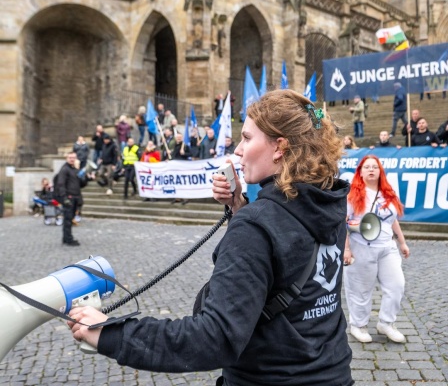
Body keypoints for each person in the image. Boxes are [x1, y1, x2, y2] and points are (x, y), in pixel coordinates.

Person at [68, 90, 354, 386]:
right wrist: (239, 207)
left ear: (279, 147)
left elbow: (215, 337)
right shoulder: (328, 201)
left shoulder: (257, 226)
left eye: (246, 137)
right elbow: (290, 261)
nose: (239, 150)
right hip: (332, 374)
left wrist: (109, 333)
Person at [343, 155, 410, 343]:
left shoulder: (387, 193)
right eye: (367, 167)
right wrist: (346, 249)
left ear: (380, 171)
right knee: (360, 289)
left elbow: (391, 219)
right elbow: (343, 222)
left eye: (375, 167)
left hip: (387, 247)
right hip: (361, 246)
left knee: (396, 285)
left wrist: (402, 241)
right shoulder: (353, 194)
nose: (371, 169)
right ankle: (358, 325)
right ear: (360, 172)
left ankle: (386, 323)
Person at [56, 152, 82, 246]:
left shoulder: (75, 169)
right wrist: (64, 197)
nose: (72, 159)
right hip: (69, 197)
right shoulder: (64, 169)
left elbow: (80, 183)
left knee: (70, 219)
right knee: (67, 219)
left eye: (73, 157)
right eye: (70, 157)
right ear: (67, 158)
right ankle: (68, 239)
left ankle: (66, 238)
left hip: (75, 196)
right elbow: (61, 184)